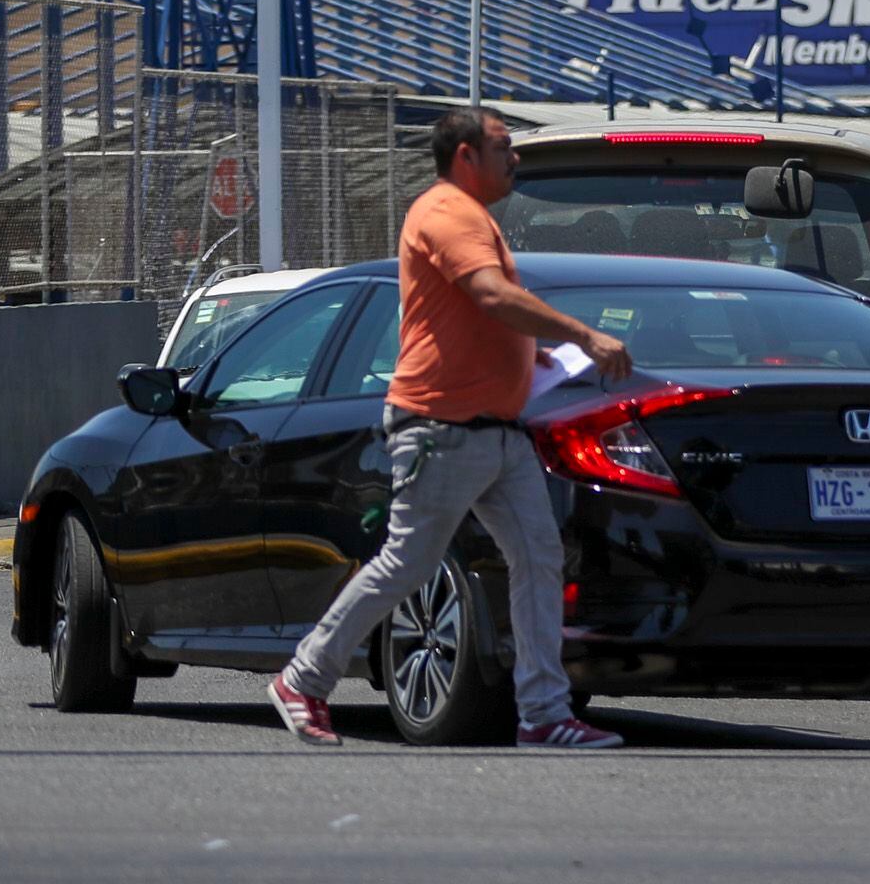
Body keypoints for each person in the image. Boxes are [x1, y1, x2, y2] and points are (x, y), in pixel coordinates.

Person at [267, 106, 634, 750]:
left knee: (539, 559)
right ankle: (303, 678)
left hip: (497, 434)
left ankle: (544, 715)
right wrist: (583, 335)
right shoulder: (447, 212)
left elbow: (474, 314)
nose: (514, 157)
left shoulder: (475, 217)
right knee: (407, 562)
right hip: (440, 428)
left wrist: (535, 358)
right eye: (502, 147)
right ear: (465, 156)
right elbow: (491, 295)